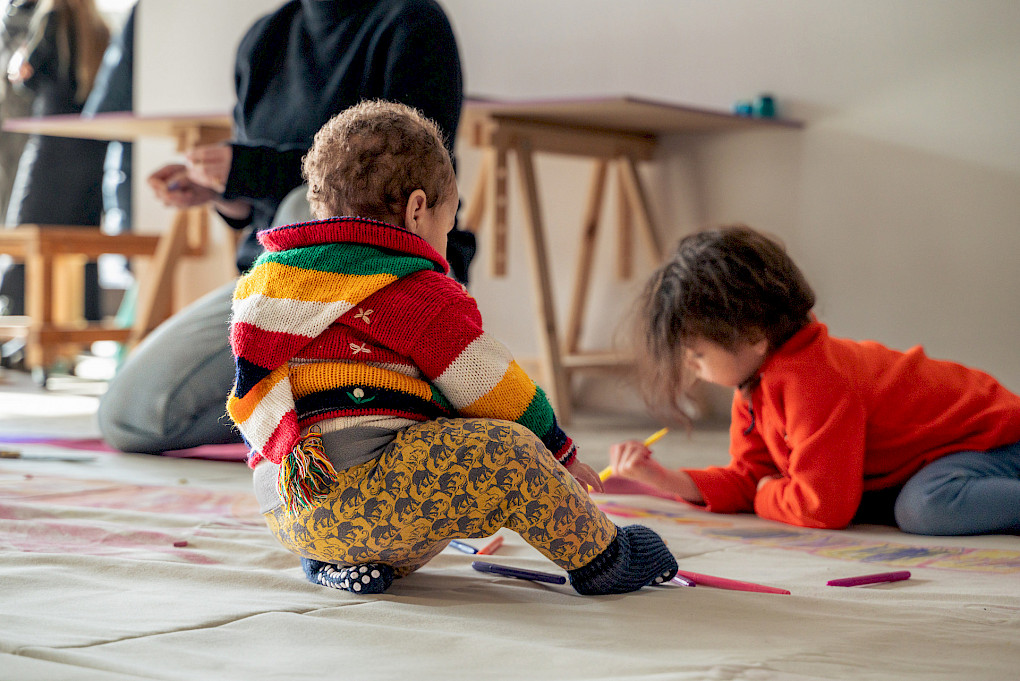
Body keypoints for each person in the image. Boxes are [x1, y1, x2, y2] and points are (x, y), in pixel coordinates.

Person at [228, 100, 678, 595]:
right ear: (417, 209)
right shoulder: (415, 291)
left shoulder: (268, 282)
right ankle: (604, 557)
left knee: (426, 450)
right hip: (368, 500)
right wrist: (558, 451)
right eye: (450, 217)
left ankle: (333, 565)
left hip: (290, 509)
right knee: (510, 452)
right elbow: (491, 385)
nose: (447, 233)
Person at [98, 0, 476, 454]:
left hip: (388, 283)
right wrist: (229, 193)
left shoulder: (411, 23)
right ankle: (325, 404)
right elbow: (261, 210)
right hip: (271, 286)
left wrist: (247, 169)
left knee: (306, 206)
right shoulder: (263, 39)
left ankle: (351, 397)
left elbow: (403, 179)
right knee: (127, 416)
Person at [607, 225, 1020, 536]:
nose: (692, 365)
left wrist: (769, 494)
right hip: (940, 456)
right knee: (892, 503)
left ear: (752, 335)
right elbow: (751, 477)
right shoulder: (755, 381)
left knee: (922, 508)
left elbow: (821, 508)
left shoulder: (812, 380)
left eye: (697, 353)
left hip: (994, 438)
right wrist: (668, 480)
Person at [1, 0, 109, 322]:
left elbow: (28, 76)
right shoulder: (101, 27)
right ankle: (81, 326)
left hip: (51, 143)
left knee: (27, 229)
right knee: (82, 241)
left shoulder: (52, 18)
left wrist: (18, 65)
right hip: (90, 147)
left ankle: (21, 324)